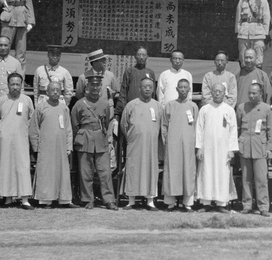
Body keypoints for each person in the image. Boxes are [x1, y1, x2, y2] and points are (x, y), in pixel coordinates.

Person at [71, 74, 117, 210]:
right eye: (92, 85)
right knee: (86, 171)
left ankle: (109, 200)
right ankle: (88, 199)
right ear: (87, 87)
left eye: (97, 86)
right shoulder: (79, 104)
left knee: (105, 172)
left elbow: (107, 120)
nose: (95, 88)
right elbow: (74, 123)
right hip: (84, 139)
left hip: (100, 139)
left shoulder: (104, 104)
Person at [29, 82, 77, 209]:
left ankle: (64, 199)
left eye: (57, 90)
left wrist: (68, 147)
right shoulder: (41, 107)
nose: (55, 92)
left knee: (62, 172)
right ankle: (46, 200)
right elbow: (34, 128)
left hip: (61, 147)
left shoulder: (64, 108)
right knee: (46, 172)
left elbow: (68, 129)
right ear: (47, 92)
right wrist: (36, 147)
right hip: (45, 147)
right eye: (52, 90)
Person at [195, 83, 238, 213]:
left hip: (223, 149)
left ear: (224, 93)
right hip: (207, 148)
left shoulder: (229, 110)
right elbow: (199, 129)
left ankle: (221, 203)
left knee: (222, 174)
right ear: (211, 93)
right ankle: (206, 202)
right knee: (206, 172)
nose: (217, 93)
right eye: (215, 91)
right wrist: (199, 148)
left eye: (220, 91)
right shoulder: (205, 109)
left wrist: (231, 149)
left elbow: (233, 130)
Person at [120, 78, 162, 211]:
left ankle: (150, 201)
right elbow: (123, 124)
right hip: (134, 145)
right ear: (139, 88)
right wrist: (132, 137)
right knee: (133, 168)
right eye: (145, 87)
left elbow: (162, 126)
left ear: (154, 89)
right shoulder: (131, 105)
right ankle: (131, 200)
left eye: (150, 86)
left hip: (151, 146)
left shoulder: (158, 106)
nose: (148, 89)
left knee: (151, 169)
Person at [0, 72, 34, 210]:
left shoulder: (27, 100)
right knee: (6, 167)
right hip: (5, 138)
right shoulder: (1, 100)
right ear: (8, 85)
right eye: (12, 84)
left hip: (21, 138)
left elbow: (31, 118)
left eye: (18, 84)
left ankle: (24, 199)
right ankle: (7, 198)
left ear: (21, 85)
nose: (15, 87)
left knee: (22, 167)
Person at [236, 83, 272, 217]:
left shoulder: (267, 109)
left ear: (260, 94)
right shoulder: (242, 108)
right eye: (250, 93)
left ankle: (263, 206)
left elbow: (271, 131)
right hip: (245, 146)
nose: (251, 96)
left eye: (254, 93)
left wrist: (270, 148)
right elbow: (237, 128)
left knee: (261, 179)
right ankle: (247, 205)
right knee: (246, 178)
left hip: (260, 148)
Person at [161, 78, 198, 212]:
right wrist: (166, 141)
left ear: (189, 90)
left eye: (185, 87)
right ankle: (170, 202)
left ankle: (187, 202)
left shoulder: (193, 106)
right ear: (176, 89)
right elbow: (164, 125)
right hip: (173, 144)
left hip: (188, 144)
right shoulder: (170, 105)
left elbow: (196, 127)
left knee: (187, 171)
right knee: (172, 170)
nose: (183, 90)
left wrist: (195, 143)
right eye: (180, 87)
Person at [235, 0, 271, 67]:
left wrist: (265, 34)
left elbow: (266, 19)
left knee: (258, 60)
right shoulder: (242, 1)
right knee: (243, 59)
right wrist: (238, 32)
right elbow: (238, 19)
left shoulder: (263, 1)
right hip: (243, 34)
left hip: (258, 34)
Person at [114, 47, 156, 119]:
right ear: (135, 57)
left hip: (147, 107)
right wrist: (122, 109)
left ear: (147, 57)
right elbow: (124, 91)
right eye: (139, 55)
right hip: (132, 107)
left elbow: (153, 93)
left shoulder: (150, 73)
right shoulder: (129, 71)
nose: (141, 57)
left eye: (143, 55)